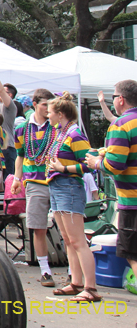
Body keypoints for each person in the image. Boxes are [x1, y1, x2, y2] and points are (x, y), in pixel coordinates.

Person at [45, 93, 101, 302]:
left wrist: (63, 167)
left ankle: (91, 287)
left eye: (50, 112)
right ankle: (76, 282)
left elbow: (89, 164)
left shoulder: (75, 134)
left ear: (60, 114)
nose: (47, 115)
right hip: (58, 187)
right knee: (68, 239)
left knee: (77, 240)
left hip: (68, 187)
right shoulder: (63, 133)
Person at [85, 79, 137, 295]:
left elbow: (114, 165)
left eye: (113, 97)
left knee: (133, 254)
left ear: (121, 100)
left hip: (132, 203)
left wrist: (96, 162)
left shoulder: (120, 124)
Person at [10, 88, 57, 287]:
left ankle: (73, 271)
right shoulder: (22, 129)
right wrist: (16, 179)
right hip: (34, 182)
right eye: (45, 104)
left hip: (56, 180)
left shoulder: (55, 127)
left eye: (51, 105)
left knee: (64, 227)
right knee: (37, 226)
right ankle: (45, 270)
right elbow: (20, 155)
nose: (48, 109)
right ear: (35, 104)